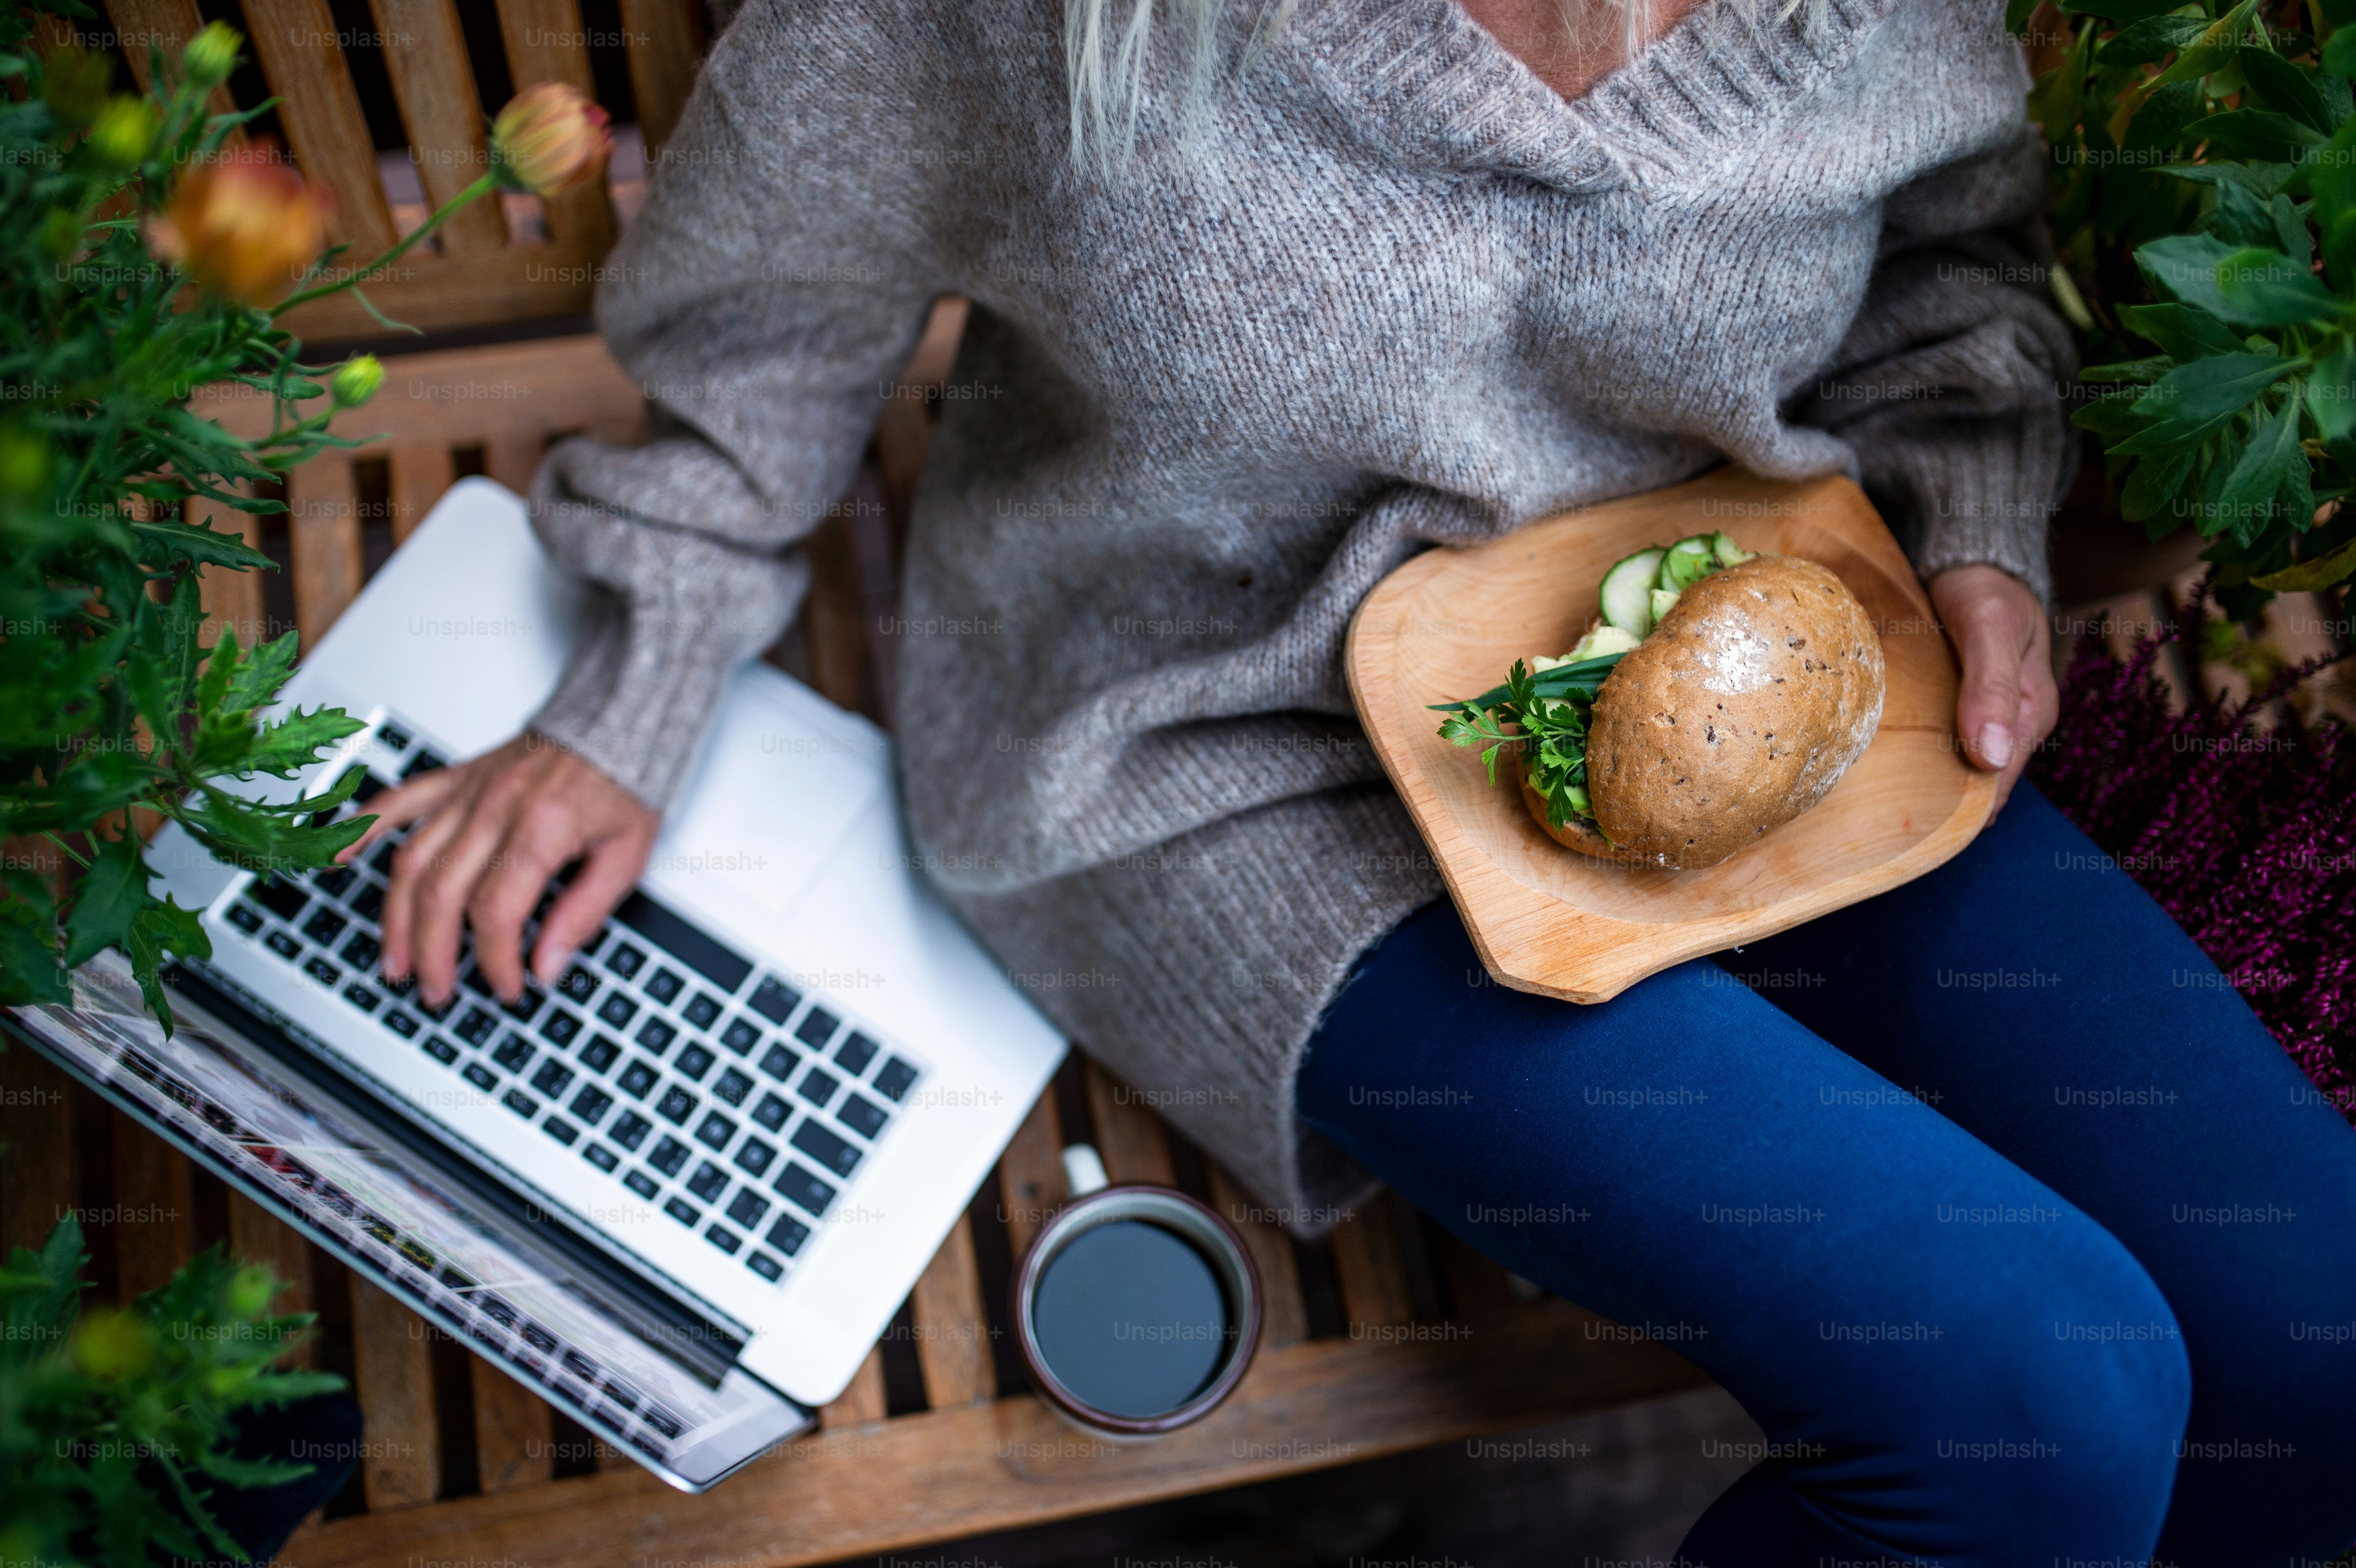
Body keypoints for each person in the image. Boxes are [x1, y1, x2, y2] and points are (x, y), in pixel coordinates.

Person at [341, 0, 2356, 1559]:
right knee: (2034, 1389)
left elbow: (1950, 279)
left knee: (2314, 1336)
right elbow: (768, 303)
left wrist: (1979, 529)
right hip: (1219, 754)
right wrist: (648, 645)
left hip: (1762, 687)